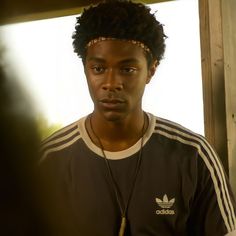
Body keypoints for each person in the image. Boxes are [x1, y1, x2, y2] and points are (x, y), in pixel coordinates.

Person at [40, 0, 236, 235]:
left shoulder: (193, 155)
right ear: (85, 68)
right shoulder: (49, 161)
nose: (111, 84)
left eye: (127, 69)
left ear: (151, 70)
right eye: (99, 69)